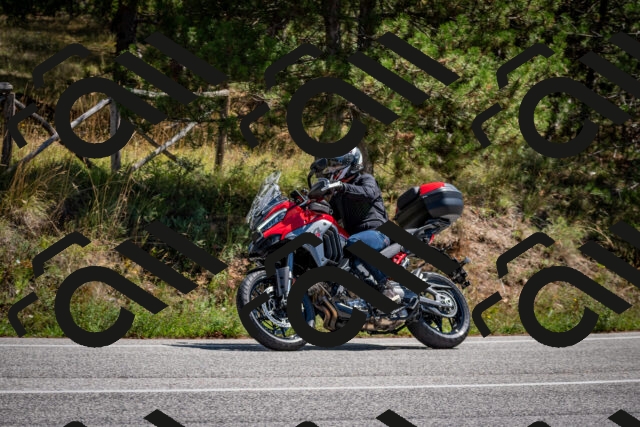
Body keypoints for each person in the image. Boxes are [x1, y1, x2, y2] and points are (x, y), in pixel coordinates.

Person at [310, 147, 402, 303]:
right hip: (354, 238)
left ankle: (386, 286)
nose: (332, 169)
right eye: (332, 165)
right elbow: (329, 215)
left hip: (378, 232)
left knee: (355, 242)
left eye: (337, 165)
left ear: (352, 164)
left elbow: (369, 193)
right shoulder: (338, 195)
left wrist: (342, 187)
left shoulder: (365, 179)